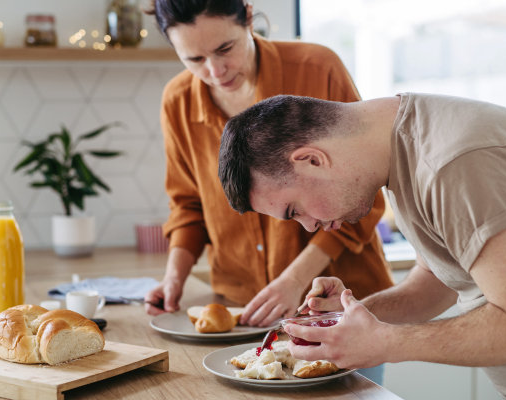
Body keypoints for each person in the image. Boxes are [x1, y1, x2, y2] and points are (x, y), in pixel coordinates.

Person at [218, 93, 506, 399]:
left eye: (294, 210)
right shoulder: (402, 155)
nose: (309, 226)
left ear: (312, 159)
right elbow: (436, 282)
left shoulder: (451, 163)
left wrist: (386, 343)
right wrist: (349, 319)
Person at [143, 0, 393, 336]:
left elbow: (366, 189)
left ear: (247, 17)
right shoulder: (177, 101)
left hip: (339, 305)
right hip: (243, 311)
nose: (216, 71)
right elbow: (188, 205)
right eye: (195, 59)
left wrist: (295, 280)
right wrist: (174, 277)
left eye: (225, 48)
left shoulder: (316, 68)